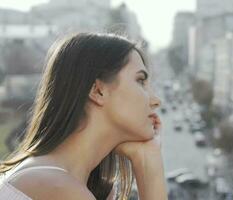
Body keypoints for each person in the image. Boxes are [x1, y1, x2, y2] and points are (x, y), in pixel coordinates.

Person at [0, 32, 167, 200]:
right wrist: (149, 167)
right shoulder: (60, 188)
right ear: (97, 91)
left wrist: (147, 156)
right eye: (140, 81)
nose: (156, 100)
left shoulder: (62, 180)